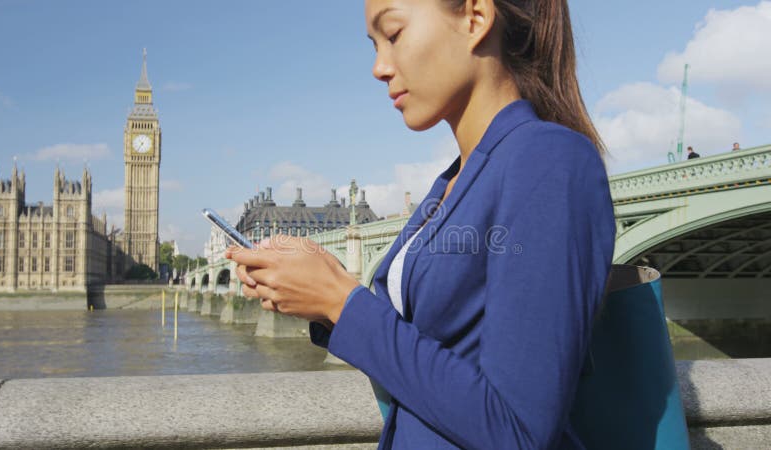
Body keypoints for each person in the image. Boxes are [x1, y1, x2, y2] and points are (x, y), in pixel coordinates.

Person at [226, 1, 615, 448]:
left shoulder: (548, 161)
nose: (378, 67)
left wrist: (341, 301)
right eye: (374, 45)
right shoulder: (454, 181)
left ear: (475, 17)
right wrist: (320, 293)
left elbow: (518, 432)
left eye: (392, 34)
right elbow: (428, 348)